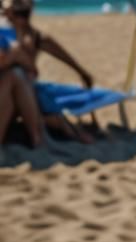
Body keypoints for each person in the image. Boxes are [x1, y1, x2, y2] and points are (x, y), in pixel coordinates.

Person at [1, 0, 95, 142]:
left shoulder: (36, 37)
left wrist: (82, 73)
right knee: (23, 83)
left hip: (26, 92)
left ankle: (65, 134)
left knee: (44, 104)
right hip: (16, 91)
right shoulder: (6, 35)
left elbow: (65, 57)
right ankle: (54, 135)